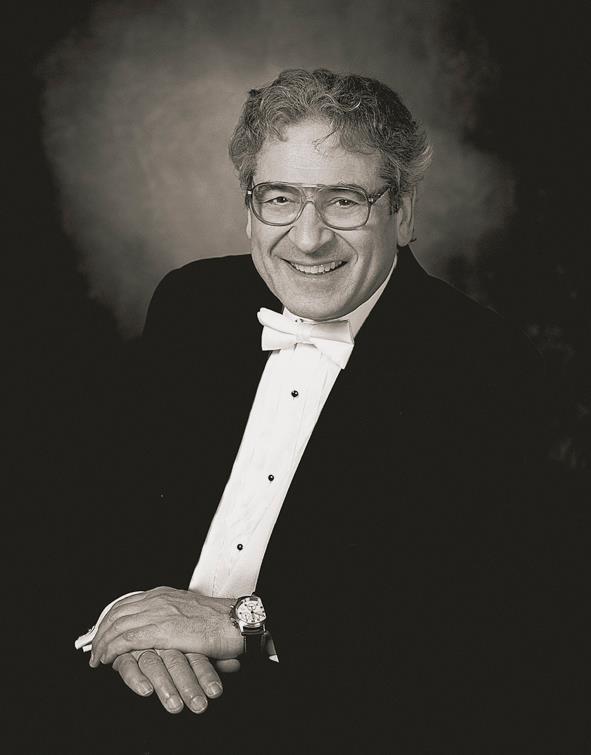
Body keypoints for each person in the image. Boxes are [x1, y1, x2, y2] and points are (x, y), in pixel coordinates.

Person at [75, 69, 555, 753]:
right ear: (250, 207)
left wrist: (242, 624)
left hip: (340, 719)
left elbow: (468, 609)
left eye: (344, 201)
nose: (307, 238)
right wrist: (128, 620)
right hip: (140, 690)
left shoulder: (482, 363)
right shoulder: (191, 302)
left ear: (403, 212)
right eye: (280, 198)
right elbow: (107, 498)